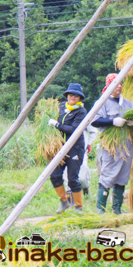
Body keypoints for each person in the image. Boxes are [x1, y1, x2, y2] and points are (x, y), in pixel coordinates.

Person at [90, 74, 133, 214]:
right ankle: (101, 210)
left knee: (122, 176)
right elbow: (94, 121)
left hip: (126, 145)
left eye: (121, 83)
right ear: (109, 86)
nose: (119, 86)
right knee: (108, 175)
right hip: (110, 146)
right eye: (116, 84)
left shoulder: (127, 103)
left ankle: (117, 210)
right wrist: (112, 121)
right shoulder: (102, 103)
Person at [48, 83, 88, 213]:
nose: (73, 97)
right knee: (54, 175)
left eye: (76, 95)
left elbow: (73, 130)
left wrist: (57, 124)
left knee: (72, 179)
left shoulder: (81, 111)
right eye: (71, 94)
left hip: (75, 148)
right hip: (60, 147)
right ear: (67, 95)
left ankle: (78, 207)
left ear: (80, 97)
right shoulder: (60, 107)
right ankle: (64, 202)